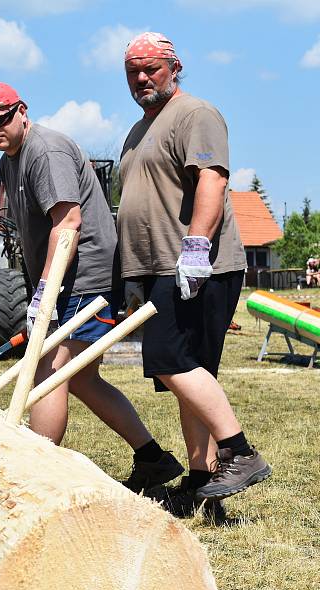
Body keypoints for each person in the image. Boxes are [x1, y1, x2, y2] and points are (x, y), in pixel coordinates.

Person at [0, 82, 183, 492]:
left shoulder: (45, 151)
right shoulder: (8, 161)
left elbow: (68, 223)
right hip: (62, 280)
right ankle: (152, 458)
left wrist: (44, 291)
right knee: (83, 379)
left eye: (1, 119)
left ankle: (37, 479)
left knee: (47, 371)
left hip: (84, 278)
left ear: (22, 111)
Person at [118, 32, 271, 518]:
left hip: (195, 265)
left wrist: (197, 247)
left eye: (151, 68)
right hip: (157, 266)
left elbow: (213, 177)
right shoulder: (140, 128)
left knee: (167, 358)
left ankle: (238, 451)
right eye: (133, 72)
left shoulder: (195, 114)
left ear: (175, 67)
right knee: (190, 372)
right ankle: (204, 478)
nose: (142, 78)